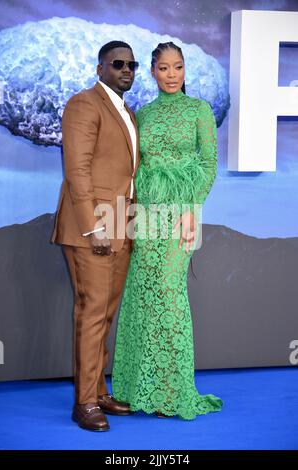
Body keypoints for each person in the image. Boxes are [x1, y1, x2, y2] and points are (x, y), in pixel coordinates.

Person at [112, 42, 223, 420]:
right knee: (142, 294)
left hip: (179, 214)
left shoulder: (199, 111)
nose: (171, 74)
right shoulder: (144, 114)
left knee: (168, 295)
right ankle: (137, 387)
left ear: (185, 71)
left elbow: (208, 165)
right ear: (153, 72)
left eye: (177, 67)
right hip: (146, 215)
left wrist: (193, 209)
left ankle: (172, 391)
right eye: (163, 68)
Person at [51, 41, 140, 431]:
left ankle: (98, 389)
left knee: (104, 314)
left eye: (132, 64)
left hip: (122, 224)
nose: (126, 70)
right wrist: (93, 226)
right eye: (117, 63)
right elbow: (78, 170)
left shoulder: (126, 110)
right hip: (95, 228)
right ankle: (85, 402)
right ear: (100, 68)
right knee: (92, 314)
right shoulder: (85, 104)